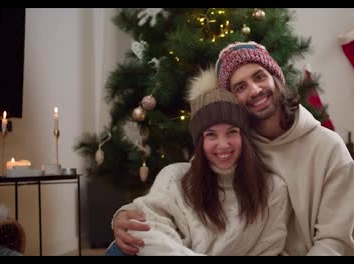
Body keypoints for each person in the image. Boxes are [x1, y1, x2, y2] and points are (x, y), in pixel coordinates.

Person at [111, 41, 354, 256]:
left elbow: (333, 241)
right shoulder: (234, 142)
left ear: (276, 78)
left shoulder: (329, 149)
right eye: (240, 87)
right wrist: (125, 214)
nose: (254, 90)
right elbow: (187, 186)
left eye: (259, 76)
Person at [106, 68, 290, 256]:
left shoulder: (273, 189)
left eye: (232, 132)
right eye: (211, 135)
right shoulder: (174, 177)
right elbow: (143, 230)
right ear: (200, 141)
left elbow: (270, 249)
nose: (223, 145)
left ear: (244, 137)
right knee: (121, 250)